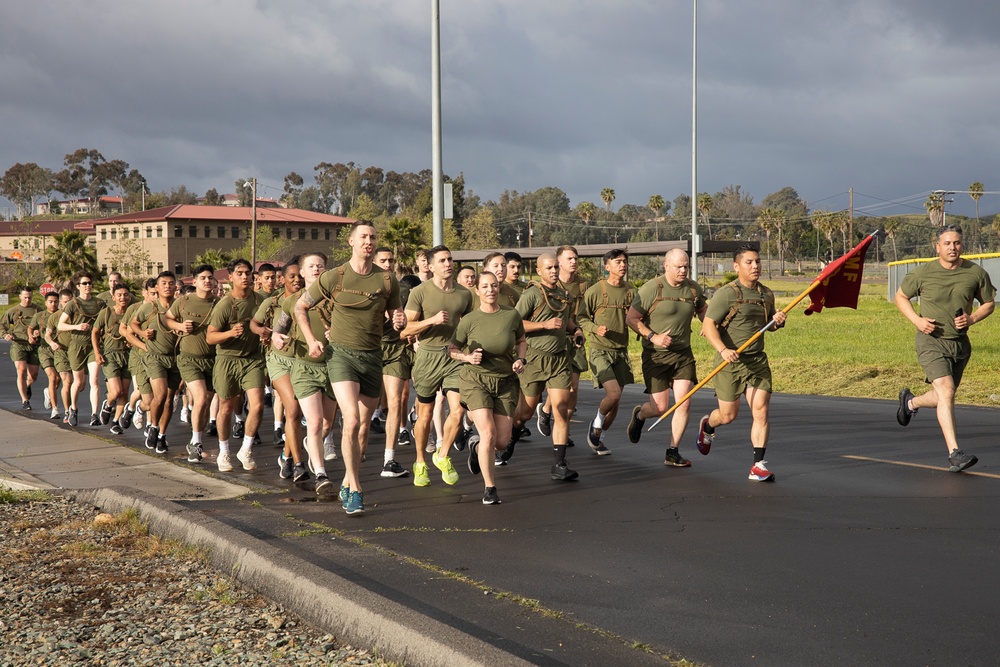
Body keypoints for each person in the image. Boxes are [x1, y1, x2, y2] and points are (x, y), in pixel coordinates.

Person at [294, 222, 405, 514]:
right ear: (351, 242)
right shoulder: (335, 276)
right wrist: (310, 339)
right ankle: (355, 489)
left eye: (372, 237)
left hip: (372, 356)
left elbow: (396, 313)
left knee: (363, 428)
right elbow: (300, 307)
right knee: (352, 419)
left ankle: (346, 479)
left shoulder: (387, 280)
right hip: (341, 355)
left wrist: (398, 320)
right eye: (363, 237)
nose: (369, 242)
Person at [894, 224, 995, 472]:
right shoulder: (923, 273)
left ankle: (910, 403)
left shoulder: (976, 273)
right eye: (947, 243)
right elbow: (900, 296)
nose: (953, 247)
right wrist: (917, 320)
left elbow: (989, 303)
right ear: (937, 246)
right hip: (930, 341)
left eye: (957, 243)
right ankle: (954, 453)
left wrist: (972, 319)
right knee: (947, 391)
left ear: (963, 245)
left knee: (943, 396)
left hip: (960, 344)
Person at [697, 244, 786, 482]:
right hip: (730, 362)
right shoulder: (726, 294)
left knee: (761, 410)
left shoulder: (766, 294)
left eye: (757, 261)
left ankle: (758, 464)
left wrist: (778, 320)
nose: (755, 266)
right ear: (736, 266)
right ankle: (707, 426)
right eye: (749, 262)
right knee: (728, 415)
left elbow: (770, 324)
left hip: (756, 360)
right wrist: (723, 350)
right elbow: (708, 325)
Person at [449, 271, 527, 505]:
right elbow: (451, 349)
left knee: (501, 442)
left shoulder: (511, 315)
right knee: (489, 434)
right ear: (477, 290)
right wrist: (466, 357)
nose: (490, 290)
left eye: (494, 286)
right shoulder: (470, 320)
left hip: (505, 382)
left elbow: (522, 341)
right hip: (476, 380)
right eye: (485, 287)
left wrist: (521, 360)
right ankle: (490, 488)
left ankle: (475, 446)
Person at [625, 249, 706, 467]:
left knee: (684, 403)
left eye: (686, 266)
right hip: (656, 355)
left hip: (683, 354)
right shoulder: (653, 288)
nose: (683, 270)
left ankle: (672, 451)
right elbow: (631, 319)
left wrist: (707, 323)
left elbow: (703, 310)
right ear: (666, 266)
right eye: (678, 266)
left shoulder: (692, 288)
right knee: (661, 407)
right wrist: (654, 337)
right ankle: (640, 415)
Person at [401, 245, 473, 488]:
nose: (448, 264)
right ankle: (420, 461)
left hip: (453, 356)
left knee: (458, 409)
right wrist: (431, 320)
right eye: (442, 260)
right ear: (430, 267)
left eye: (450, 259)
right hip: (428, 356)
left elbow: (472, 325)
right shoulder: (420, 292)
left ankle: (442, 455)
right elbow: (406, 330)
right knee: (426, 414)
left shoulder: (464, 294)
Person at [509, 252, 582, 480]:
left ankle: (559, 465)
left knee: (561, 409)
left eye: (554, 267)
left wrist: (576, 331)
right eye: (548, 268)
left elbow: (566, 319)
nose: (553, 271)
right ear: (539, 271)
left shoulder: (562, 294)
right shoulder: (532, 294)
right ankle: (510, 438)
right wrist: (544, 324)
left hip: (560, 359)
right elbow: (515, 323)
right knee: (525, 412)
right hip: (535, 359)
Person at [207, 258, 267, 472]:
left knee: (258, 405)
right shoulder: (224, 304)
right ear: (230, 277)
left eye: (248, 273)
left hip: (252, 359)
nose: (245, 277)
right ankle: (224, 452)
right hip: (227, 360)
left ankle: (246, 448)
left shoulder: (260, 301)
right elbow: (210, 338)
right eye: (240, 273)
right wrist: (230, 333)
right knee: (226, 408)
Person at [577, 249, 635, 455]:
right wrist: (595, 328)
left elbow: (640, 316)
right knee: (614, 393)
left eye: (624, 262)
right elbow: (581, 317)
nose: (622, 265)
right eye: (618, 262)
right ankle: (597, 423)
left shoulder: (631, 291)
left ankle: (599, 437)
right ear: (607, 266)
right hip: (600, 351)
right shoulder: (595, 290)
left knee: (616, 401)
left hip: (621, 352)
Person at [253, 260, 306, 480]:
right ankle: (299, 463)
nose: (296, 280)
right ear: (281, 279)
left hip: (304, 360)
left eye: (299, 276)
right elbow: (253, 324)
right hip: (279, 360)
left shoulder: (311, 300)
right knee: (292, 409)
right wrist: (265, 332)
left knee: (303, 415)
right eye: (291, 276)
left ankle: (286, 456)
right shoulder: (273, 302)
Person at [164, 265, 219, 463]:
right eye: (203, 278)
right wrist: (179, 325)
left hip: (213, 360)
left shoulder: (219, 303)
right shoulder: (184, 301)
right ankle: (196, 443)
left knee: (206, 404)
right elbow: (167, 318)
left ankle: (197, 438)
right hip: (189, 358)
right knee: (201, 399)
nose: (207, 281)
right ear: (194, 282)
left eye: (210, 278)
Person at [130, 271, 181, 454]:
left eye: (171, 283)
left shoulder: (179, 307)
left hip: (175, 358)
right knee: (159, 396)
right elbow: (133, 325)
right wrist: (143, 334)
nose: (167, 286)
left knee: (169, 401)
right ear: (157, 288)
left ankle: (162, 435)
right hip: (154, 357)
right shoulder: (149, 307)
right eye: (164, 283)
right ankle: (153, 426)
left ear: (176, 287)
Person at [373, 247, 412, 479]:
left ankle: (389, 459)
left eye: (391, 260)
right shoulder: (365, 287)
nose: (388, 264)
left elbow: (411, 318)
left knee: (396, 400)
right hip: (368, 347)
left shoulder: (404, 289)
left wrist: (403, 321)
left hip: (395, 348)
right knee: (361, 410)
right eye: (383, 260)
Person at [57, 272, 107, 427]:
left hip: (94, 345)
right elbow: (60, 325)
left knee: (95, 380)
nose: (88, 286)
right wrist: (77, 326)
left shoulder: (99, 303)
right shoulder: (73, 303)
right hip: (77, 344)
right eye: (84, 283)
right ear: (78, 286)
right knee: (78, 382)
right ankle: (73, 409)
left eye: (89, 283)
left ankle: (94, 414)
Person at [91, 284, 132, 432]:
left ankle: (115, 422)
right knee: (116, 391)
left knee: (125, 393)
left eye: (126, 294)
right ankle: (108, 405)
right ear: (113, 297)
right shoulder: (107, 312)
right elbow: (94, 332)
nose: (123, 297)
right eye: (119, 295)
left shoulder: (132, 312)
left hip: (128, 354)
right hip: (110, 355)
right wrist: (97, 353)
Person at [1, 287, 39, 409]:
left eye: (29, 297)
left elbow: (46, 323)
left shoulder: (38, 310)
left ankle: (27, 385)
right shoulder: (14, 311)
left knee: (33, 375)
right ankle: (25, 401)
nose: (27, 300)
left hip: (33, 344)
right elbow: (2, 325)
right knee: (21, 370)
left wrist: (39, 332)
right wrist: (5, 334)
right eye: (25, 297)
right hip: (18, 344)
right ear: (20, 297)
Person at [30, 291, 62, 419]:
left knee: (59, 379)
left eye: (55, 301)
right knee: (52, 377)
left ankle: (48, 392)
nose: (53, 304)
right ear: (46, 302)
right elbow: (30, 328)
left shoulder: (62, 316)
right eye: (50, 301)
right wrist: (32, 335)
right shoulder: (40, 316)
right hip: (44, 350)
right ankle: (55, 409)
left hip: (59, 350)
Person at [45, 289, 75, 422]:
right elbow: (47, 334)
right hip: (61, 352)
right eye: (65, 302)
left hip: (77, 352)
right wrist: (52, 343)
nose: (67, 305)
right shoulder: (55, 317)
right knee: (67, 381)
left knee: (80, 384)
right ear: (61, 302)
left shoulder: (78, 314)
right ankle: (68, 411)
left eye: (70, 302)